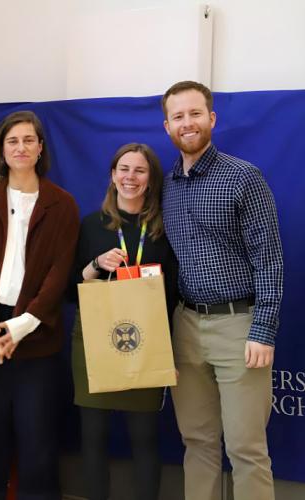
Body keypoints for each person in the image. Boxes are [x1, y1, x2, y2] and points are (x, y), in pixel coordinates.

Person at [161, 81, 283, 500]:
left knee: (246, 449)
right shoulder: (168, 185)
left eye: (195, 114)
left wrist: (263, 329)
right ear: (167, 126)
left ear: (211, 118)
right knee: (197, 442)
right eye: (178, 116)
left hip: (240, 326)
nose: (187, 123)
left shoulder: (243, 177)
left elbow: (269, 258)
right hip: (186, 327)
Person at [0, 110, 80, 500]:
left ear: (41, 147)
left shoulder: (62, 205)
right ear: (0, 150)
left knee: (38, 446)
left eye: (29, 140)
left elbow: (58, 275)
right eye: (12, 141)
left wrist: (20, 326)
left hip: (37, 337)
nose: (21, 147)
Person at [68, 143, 178, 500]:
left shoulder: (165, 226)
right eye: (124, 169)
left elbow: (174, 292)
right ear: (112, 176)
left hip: (146, 339)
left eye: (139, 171)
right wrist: (97, 265)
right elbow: (74, 287)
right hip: (95, 338)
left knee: (145, 437)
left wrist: (170, 351)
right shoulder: (91, 224)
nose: (131, 177)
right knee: (93, 436)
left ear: (150, 179)